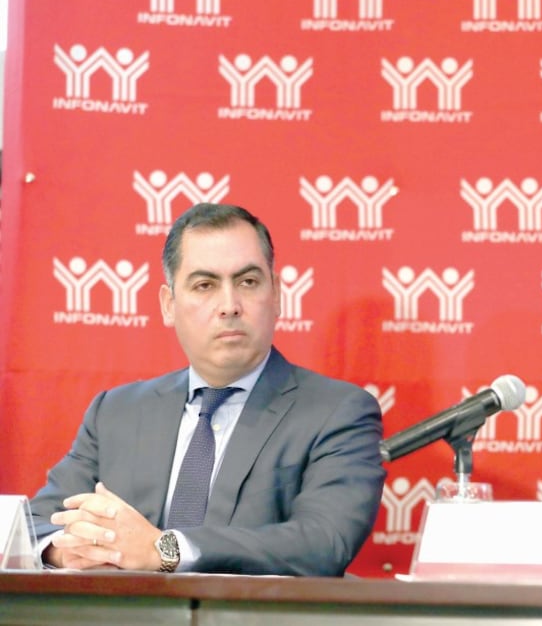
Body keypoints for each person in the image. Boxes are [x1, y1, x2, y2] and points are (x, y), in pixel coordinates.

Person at [29, 203, 386, 576]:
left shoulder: (337, 411)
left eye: (248, 282)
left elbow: (324, 541)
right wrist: (63, 551)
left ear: (277, 294)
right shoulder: (116, 412)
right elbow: (37, 521)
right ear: (169, 305)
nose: (229, 305)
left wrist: (165, 550)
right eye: (205, 285)